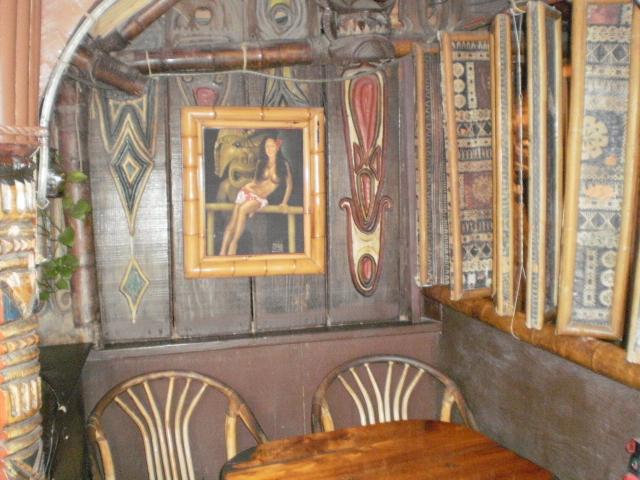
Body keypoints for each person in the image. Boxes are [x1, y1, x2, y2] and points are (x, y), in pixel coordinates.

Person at [219, 136, 292, 256]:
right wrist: (247, 187)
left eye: (272, 146)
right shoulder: (261, 163)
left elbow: (289, 186)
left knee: (242, 209)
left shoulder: (283, 165)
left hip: (260, 198)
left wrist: (284, 202)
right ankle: (222, 252)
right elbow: (255, 182)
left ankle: (234, 243)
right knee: (233, 221)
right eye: (267, 146)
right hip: (249, 191)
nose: (269, 149)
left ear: (277, 147)